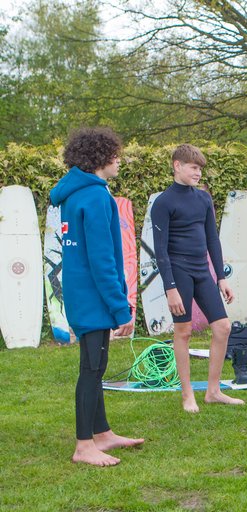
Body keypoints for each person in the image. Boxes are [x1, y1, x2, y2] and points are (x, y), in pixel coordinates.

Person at [51, 127, 144, 466]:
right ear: (98, 158)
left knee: (95, 365)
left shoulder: (74, 194)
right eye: (114, 154)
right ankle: (83, 446)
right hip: (93, 297)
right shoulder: (94, 197)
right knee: (92, 368)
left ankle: (102, 434)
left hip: (81, 294)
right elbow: (102, 259)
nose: (119, 159)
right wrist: (120, 308)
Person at [151, 144, 241, 413]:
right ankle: (187, 394)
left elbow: (212, 239)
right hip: (178, 273)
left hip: (202, 272)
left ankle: (213, 391)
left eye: (200, 168)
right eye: (193, 167)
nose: (198, 173)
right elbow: (160, 249)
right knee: (184, 331)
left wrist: (221, 278)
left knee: (223, 327)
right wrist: (170, 288)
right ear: (177, 165)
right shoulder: (163, 203)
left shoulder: (203, 199)